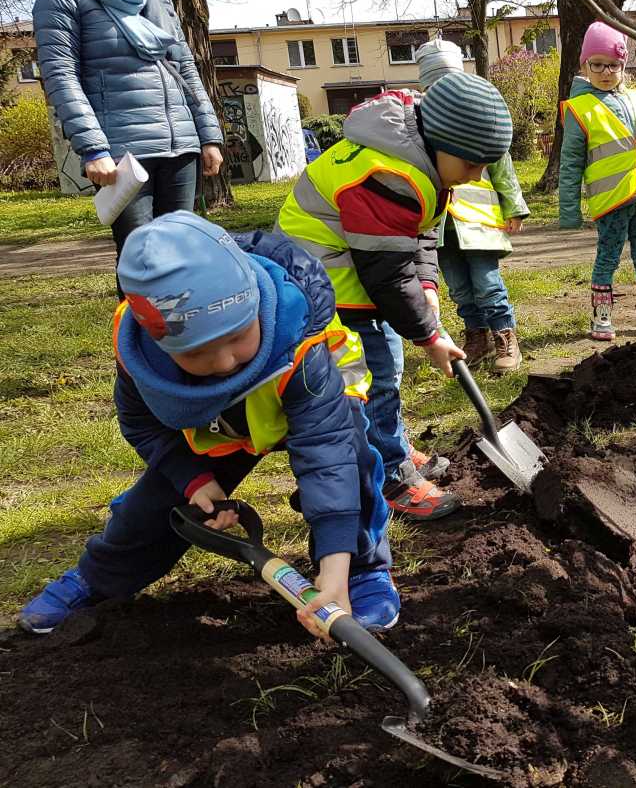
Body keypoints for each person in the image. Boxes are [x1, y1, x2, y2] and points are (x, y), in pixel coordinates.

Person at [18, 213, 399, 638]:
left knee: (353, 468)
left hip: (318, 407)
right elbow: (143, 427)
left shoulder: (300, 342)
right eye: (198, 353)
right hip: (221, 429)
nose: (224, 362)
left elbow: (326, 455)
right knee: (154, 505)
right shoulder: (143, 360)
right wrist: (194, 480)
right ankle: (99, 576)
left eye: (237, 338)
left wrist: (333, 572)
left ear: (255, 303)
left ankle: (363, 569)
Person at [276, 72, 513, 521]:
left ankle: (393, 444)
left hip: (352, 273)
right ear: (441, 141)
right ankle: (389, 474)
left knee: (385, 367)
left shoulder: (416, 160)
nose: (475, 177)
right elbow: (386, 275)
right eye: (470, 165)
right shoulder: (388, 176)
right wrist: (429, 335)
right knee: (376, 374)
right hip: (321, 283)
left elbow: (420, 234)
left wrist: (427, 286)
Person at [34, 0, 224, 283]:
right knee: (142, 263)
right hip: (124, 155)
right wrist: (94, 149)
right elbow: (61, 76)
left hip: (180, 145)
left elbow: (185, 66)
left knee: (183, 256)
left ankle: (185, 344)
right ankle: (138, 343)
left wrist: (208, 136)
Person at [559, 21, 636, 341]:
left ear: (623, 66)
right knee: (608, 256)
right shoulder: (579, 108)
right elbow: (570, 163)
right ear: (584, 65)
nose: (605, 71)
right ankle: (602, 317)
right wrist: (569, 211)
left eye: (613, 65)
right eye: (597, 64)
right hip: (612, 200)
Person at [415, 39, 529, 373]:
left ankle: (505, 336)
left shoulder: (478, 115)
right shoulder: (422, 122)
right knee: (460, 289)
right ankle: (476, 336)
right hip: (441, 229)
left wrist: (513, 206)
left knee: (487, 284)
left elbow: (501, 164)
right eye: (436, 85)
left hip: (479, 225)